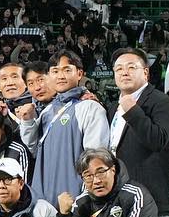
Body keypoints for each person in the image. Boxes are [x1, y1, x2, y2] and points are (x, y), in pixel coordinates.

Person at [20, 49, 110, 206]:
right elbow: (34, 149)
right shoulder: (48, 111)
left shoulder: (89, 107)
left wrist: (84, 199)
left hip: (74, 201)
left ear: (79, 73)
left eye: (67, 70)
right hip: (43, 201)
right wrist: (27, 122)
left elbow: (96, 158)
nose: (60, 76)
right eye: (55, 71)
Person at [106, 47, 169, 217]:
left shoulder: (161, 101)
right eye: (119, 68)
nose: (124, 72)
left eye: (131, 67)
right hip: (118, 199)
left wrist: (132, 111)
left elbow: (159, 141)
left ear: (145, 72)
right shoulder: (112, 108)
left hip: (150, 199)